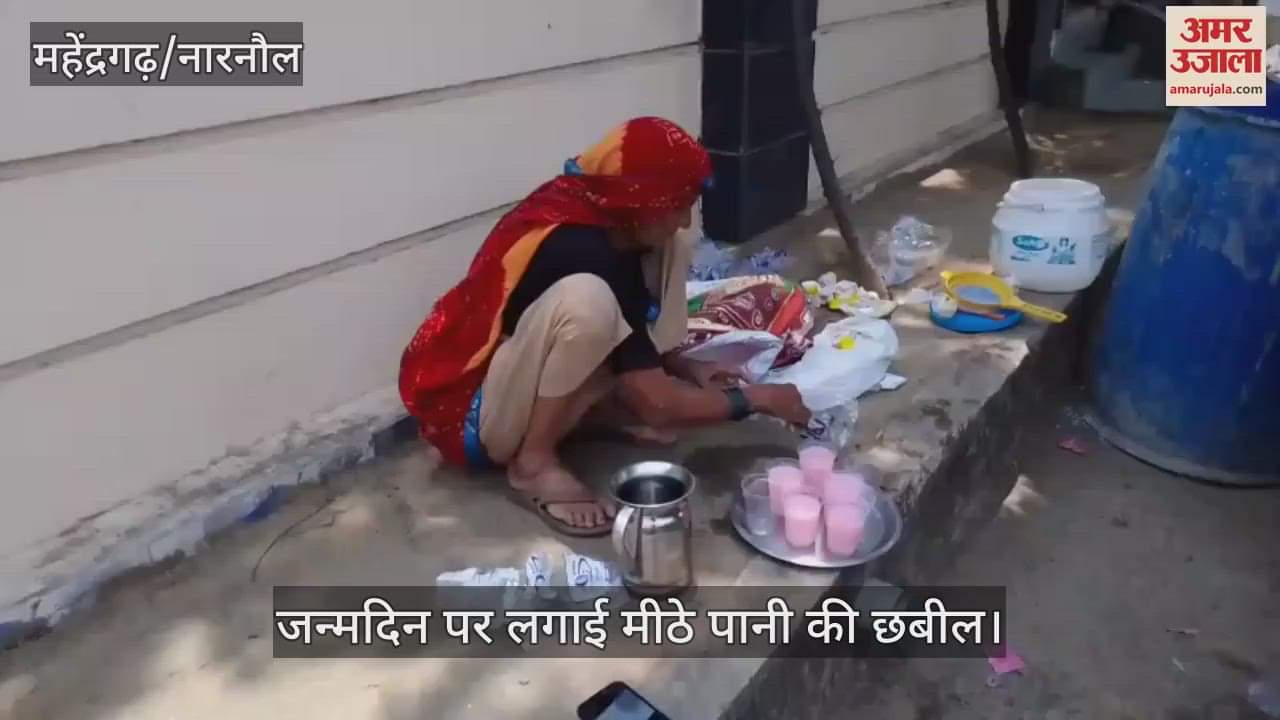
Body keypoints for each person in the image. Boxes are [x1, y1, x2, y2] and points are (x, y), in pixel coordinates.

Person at [399, 117, 810, 537]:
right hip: (474, 417)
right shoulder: (582, 248)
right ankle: (532, 463)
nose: (685, 219)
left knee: (669, 248)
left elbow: (632, 320)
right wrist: (757, 398)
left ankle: (598, 415)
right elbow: (660, 405)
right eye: (677, 205)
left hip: (523, 379)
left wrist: (685, 367)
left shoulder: (608, 212)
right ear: (641, 201)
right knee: (588, 305)